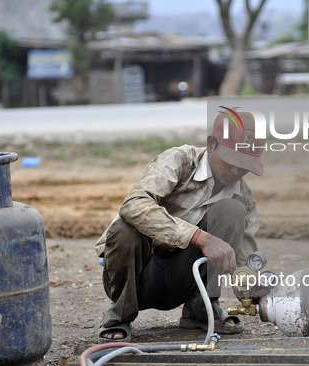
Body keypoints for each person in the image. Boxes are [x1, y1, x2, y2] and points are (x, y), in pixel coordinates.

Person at [95, 110, 264, 342]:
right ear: (211, 144)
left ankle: (199, 308)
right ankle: (120, 315)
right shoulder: (180, 161)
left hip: (183, 279)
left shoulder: (242, 195)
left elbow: (244, 258)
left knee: (231, 211)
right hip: (139, 275)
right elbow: (133, 205)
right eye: (231, 160)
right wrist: (200, 238)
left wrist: (252, 286)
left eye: (244, 165)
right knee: (126, 229)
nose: (236, 171)